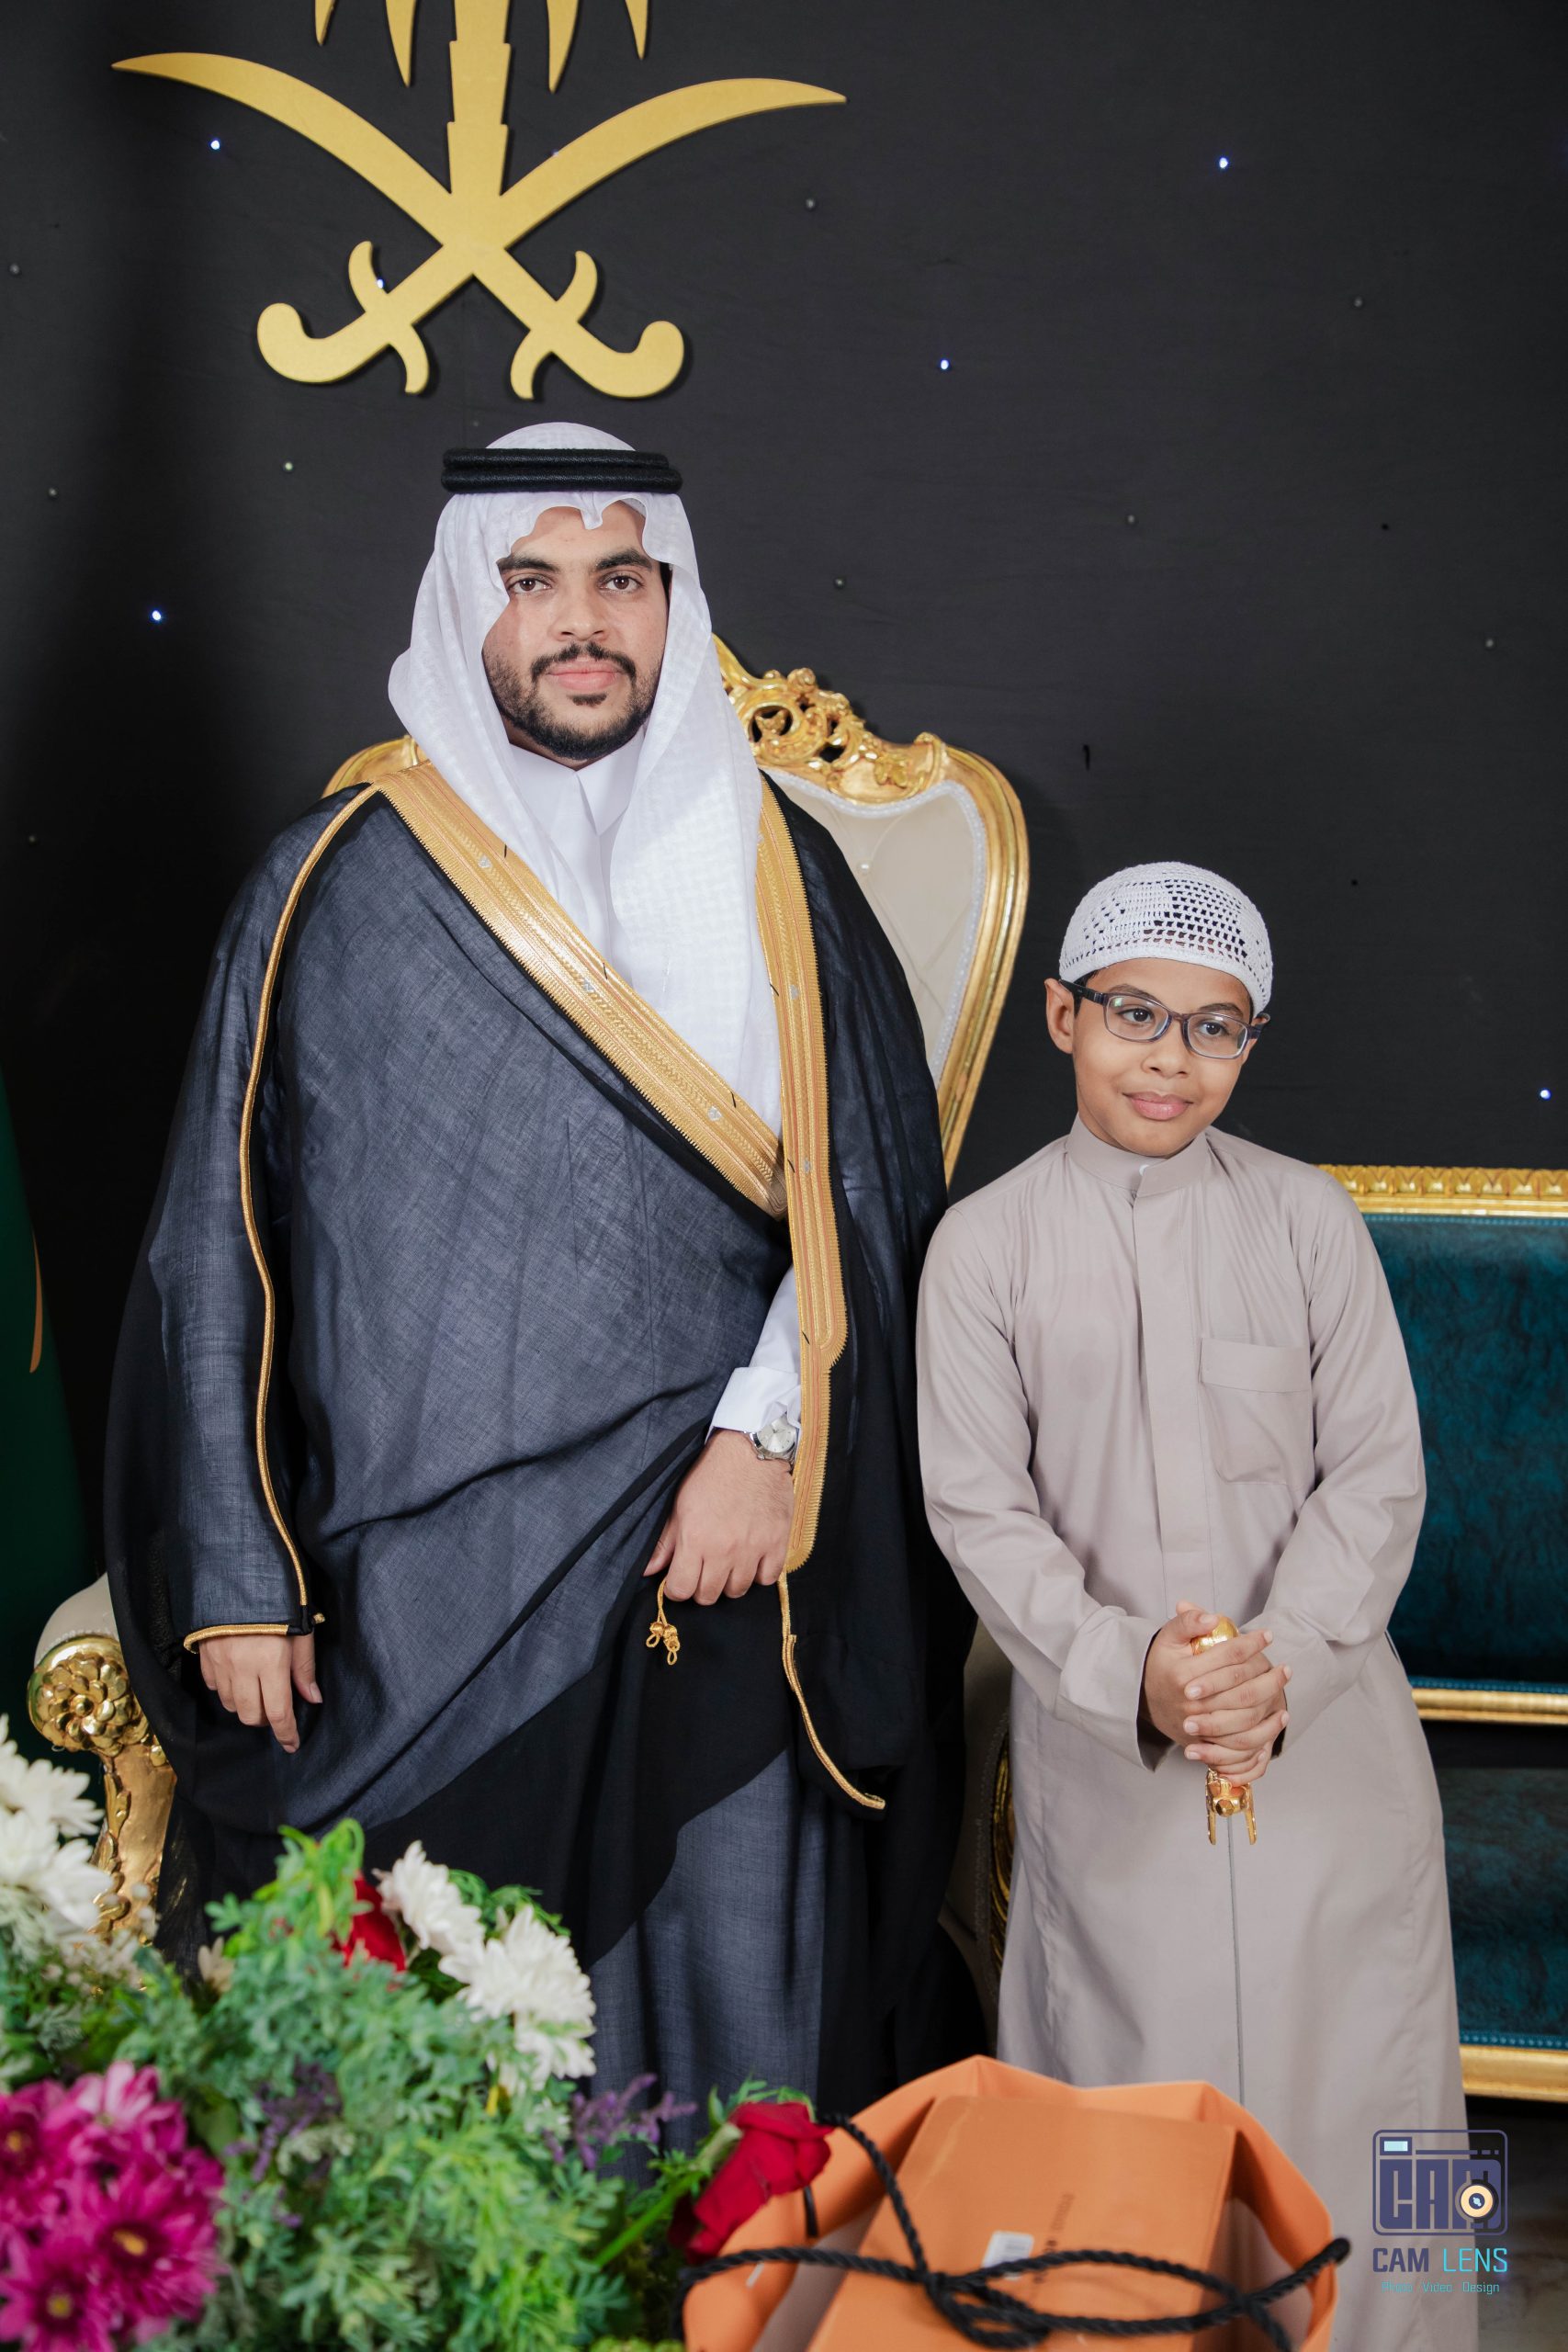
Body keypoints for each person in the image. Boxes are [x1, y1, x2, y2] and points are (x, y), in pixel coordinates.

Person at [107, 423, 973, 2124]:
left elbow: (869, 1205)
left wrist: (768, 1440)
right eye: (536, 580)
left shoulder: (780, 876)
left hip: (707, 1548)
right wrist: (237, 1571)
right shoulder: (324, 884)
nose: (584, 620)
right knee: (395, 2061)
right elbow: (215, 1241)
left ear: (671, 598)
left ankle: (723, 2266)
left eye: (622, 579)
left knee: (730, 2014)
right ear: (470, 604)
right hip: (401, 1590)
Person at [916, 863, 1473, 2351]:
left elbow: (1379, 1475)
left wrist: (1277, 1668)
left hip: (1333, 1757)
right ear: (1063, 1016)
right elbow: (979, 1512)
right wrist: (1134, 1675)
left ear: (1251, 1042)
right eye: (1135, 1016)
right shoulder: (984, 1247)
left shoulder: (1307, 1219)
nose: (1171, 1059)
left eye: (1215, 1029)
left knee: (1396, 2124)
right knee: (1123, 2140)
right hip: (1114, 1773)